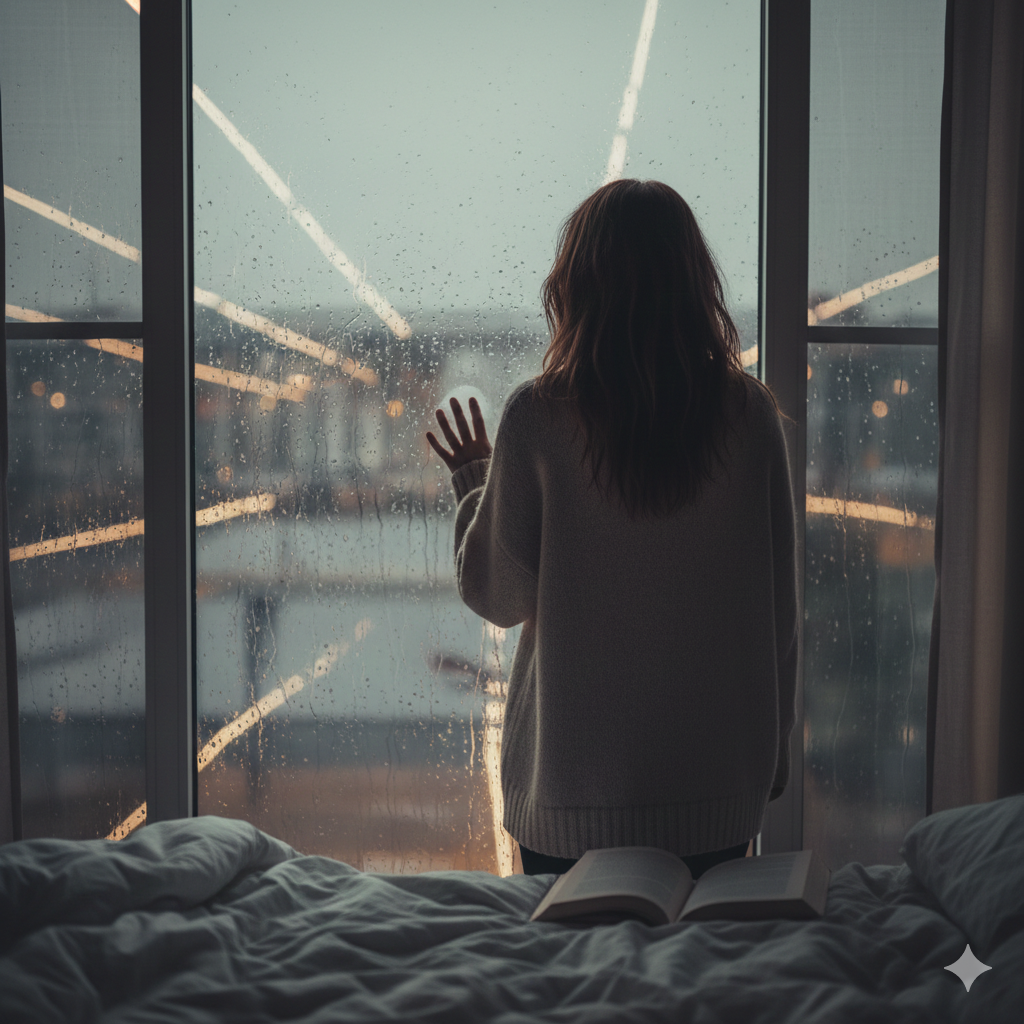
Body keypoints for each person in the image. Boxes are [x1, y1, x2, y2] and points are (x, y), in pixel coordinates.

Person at [425, 179, 797, 879]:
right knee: (697, 984)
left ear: (575, 284)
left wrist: (475, 478)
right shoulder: (751, 419)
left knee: (575, 987)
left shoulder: (538, 417)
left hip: (570, 802)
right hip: (716, 793)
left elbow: (499, 597)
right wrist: (770, 762)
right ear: (696, 281)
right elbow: (779, 613)